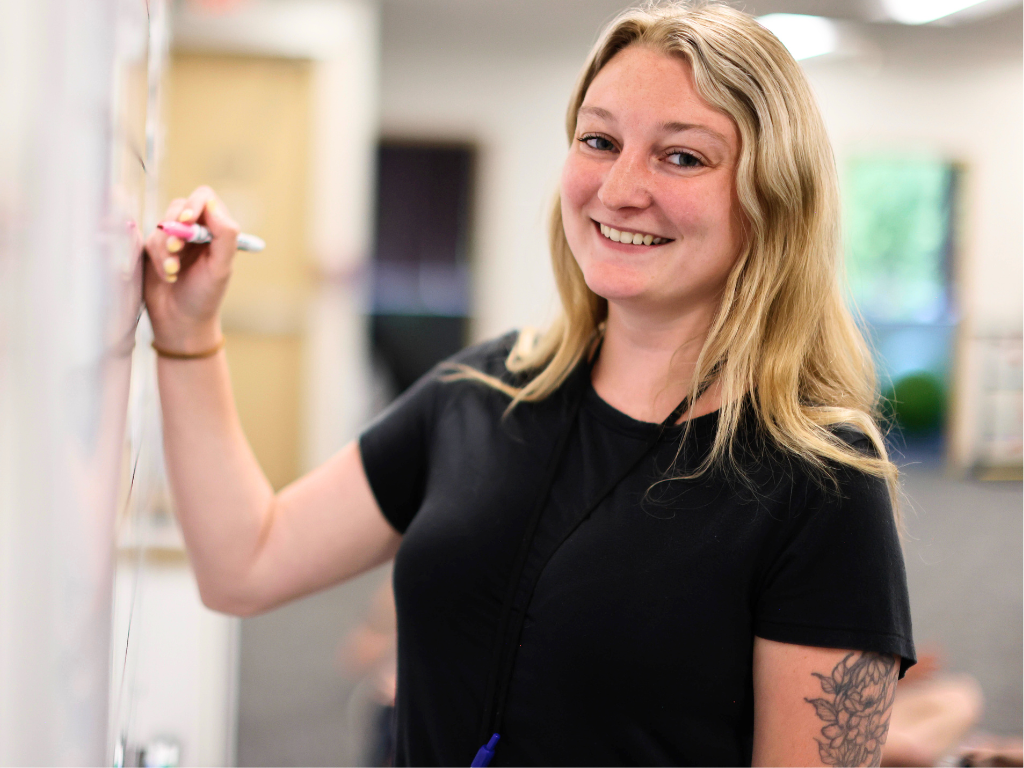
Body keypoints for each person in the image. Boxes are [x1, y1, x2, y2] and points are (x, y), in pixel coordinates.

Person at [143, 3, 916, 765]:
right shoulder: (483, 392)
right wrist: (187, 336)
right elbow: (245, 563)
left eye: (682, 157)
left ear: (773, 198)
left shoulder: (818, 480)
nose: (620, 188)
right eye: (599, 141)